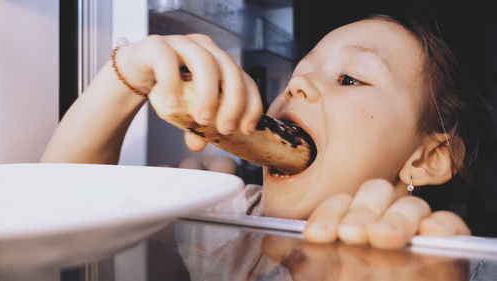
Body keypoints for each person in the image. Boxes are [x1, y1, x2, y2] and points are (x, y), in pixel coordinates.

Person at [41, 10, 494, 249]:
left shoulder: (446, 263)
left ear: (429, 158)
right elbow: (57, 216)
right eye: (301, 70)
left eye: (350, 78)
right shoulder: (229, 225)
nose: (297, 84)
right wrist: (127, 75)